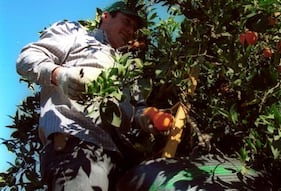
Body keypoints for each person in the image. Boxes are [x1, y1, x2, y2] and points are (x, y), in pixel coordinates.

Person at [16, 1, 168, 190]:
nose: (130, 30)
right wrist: (59, 74)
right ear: (106, 16)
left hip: (121, 159)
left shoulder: (128, 65)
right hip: (77, 145)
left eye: (134, 27)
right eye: (126, 21)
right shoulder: (76, 34)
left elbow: (137, 108)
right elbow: (27, 58)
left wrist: (147, 116)